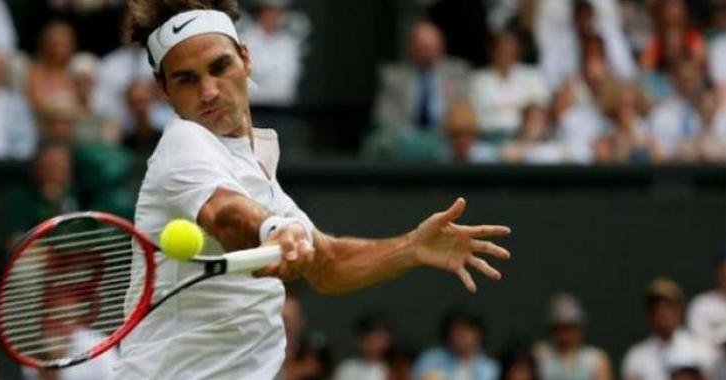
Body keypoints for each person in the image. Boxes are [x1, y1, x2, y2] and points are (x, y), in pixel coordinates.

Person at [116, 1, 512, 379]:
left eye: (219, 67)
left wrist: (411, 247)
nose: (208, 91)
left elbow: (329, 265)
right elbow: (225, 215)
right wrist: (273, 230)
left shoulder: (261, 175)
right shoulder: (183, 141)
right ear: (163, 90)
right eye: (187, 79)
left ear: (246, 59)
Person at [366, 20, 470, 158]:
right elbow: (384, 117)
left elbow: (463, 111)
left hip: (445, 136)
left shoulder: (456, 72)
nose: (429, 54)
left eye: (434, 48)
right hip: (405, 138)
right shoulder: (393, 76)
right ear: (411, 48)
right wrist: (412, 138)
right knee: (377, 143)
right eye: (424, 48)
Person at [621, 278, 715, 380]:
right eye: (656, 308)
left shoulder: (701, 350)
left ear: (680, 310)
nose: (662, 313)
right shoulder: (637, 356)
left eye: (669, 307)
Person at [469, 31, 549, 144]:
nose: (506, 55)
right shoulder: (478, 80)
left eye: (510, 51)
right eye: (502, 51)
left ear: (517, 52)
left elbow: (540, 111)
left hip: (526, 138)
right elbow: (475, 116)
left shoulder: (532, 76)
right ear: (493, 52)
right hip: (488, 137)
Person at [239, 0, 304, 106]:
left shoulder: (289, 43)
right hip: (254, 109)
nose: (277, 16)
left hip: (285, 108)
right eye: (272, 11)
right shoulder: (244, 40)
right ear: (260, 12)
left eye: (281, 11)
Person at [533, 293, 612, 380]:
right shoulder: (540, 355)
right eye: (559, 327)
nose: (564, 333)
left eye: (569, 327)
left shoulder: (595, 359)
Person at [413, 309, 499, 380]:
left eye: (468, 330)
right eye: (458, 330)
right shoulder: (429, 360)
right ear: (448, 333)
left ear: (479, 335)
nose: (462, 335)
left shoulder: (490, 367)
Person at [687, 248, 726, 351]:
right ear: (718, 272)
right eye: (724, 269)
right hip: (713, 363)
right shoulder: (701, 304)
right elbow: (697, 344)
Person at [334, 314, 392, 380]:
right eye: (377, 337)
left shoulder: (395, 369)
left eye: (384, 338)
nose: (381, 343)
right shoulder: (348, 368)